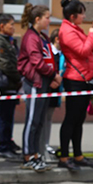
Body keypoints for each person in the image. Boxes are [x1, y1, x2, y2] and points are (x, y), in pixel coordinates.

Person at [58, 0, 93, 171]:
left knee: (79, 119)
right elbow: (83, 51)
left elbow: (87, 49)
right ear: (73, 16)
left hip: (83, 79)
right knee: (71, 119)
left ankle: (78, 154)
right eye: (81, 14)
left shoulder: (74, 29)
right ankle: (65, 156)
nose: (84, 17)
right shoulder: (67, 31)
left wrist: (91, 35)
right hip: (75, 80)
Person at [18, 4, 59, 172]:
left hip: (45, 83)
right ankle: (28, 155)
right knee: (32, 121)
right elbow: (37, 62)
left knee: (40, 120)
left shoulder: (43, 36)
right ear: (37, 19)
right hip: (35, 83)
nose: (49, 20)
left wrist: (53, 76)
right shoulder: (31, 37)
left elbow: (49, 59)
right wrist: (53, 75)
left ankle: (36, 154)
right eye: (47, 17)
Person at [0, 13, 21, 162]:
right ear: (2, 26)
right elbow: (5, 64)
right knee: (4, 117)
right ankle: (3, 147)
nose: (14, 28)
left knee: (9, 117)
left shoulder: (9, 42)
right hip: (5, 83)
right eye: (11, 24)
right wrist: (18, 77)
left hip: (12, 84)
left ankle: (8, 144)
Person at [39, 28, 64, 162]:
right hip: (47, 88)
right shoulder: (48, 52)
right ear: (57, 39)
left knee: (49, 118)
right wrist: (52, 80)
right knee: (42, 118)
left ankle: (46, 143)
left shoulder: (62, 55)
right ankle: (41, 145)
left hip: (57, 89)